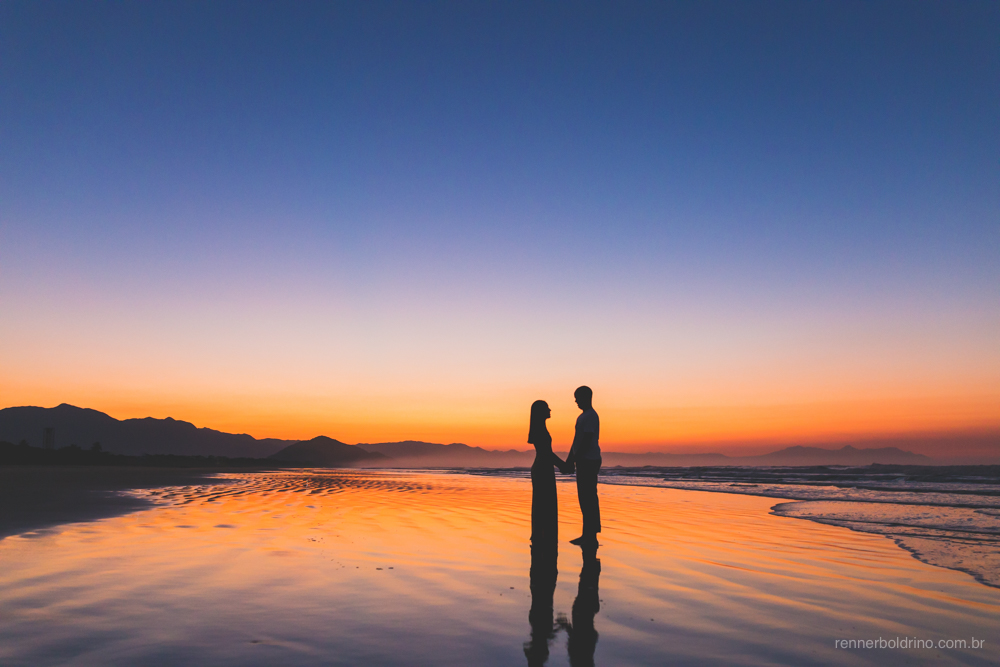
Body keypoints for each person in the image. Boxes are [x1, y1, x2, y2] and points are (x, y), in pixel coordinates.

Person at [563, 386, 601, 546]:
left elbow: (586, 440)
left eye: (578, 397)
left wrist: (574, 459)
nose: (576, 401)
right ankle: (587, 534)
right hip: (584, 459)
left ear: (586, 397)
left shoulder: (590, 416)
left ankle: (591, 535)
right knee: (584, 498)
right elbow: (576, 441)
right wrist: (570, 459)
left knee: (588, 498)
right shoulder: (583, 416)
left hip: (589, 460)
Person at [527, 400, 567, 545]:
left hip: (543, 467)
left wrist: (561, 465)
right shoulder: (540, 430)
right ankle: (543, 535)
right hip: (542, 468)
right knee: (544, 503)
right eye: (547, 408)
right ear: (540, 412)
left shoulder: (541, 429)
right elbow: (546, 453)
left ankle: (541, 534)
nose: (550, 410)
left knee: (543, 502)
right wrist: (563, 465)